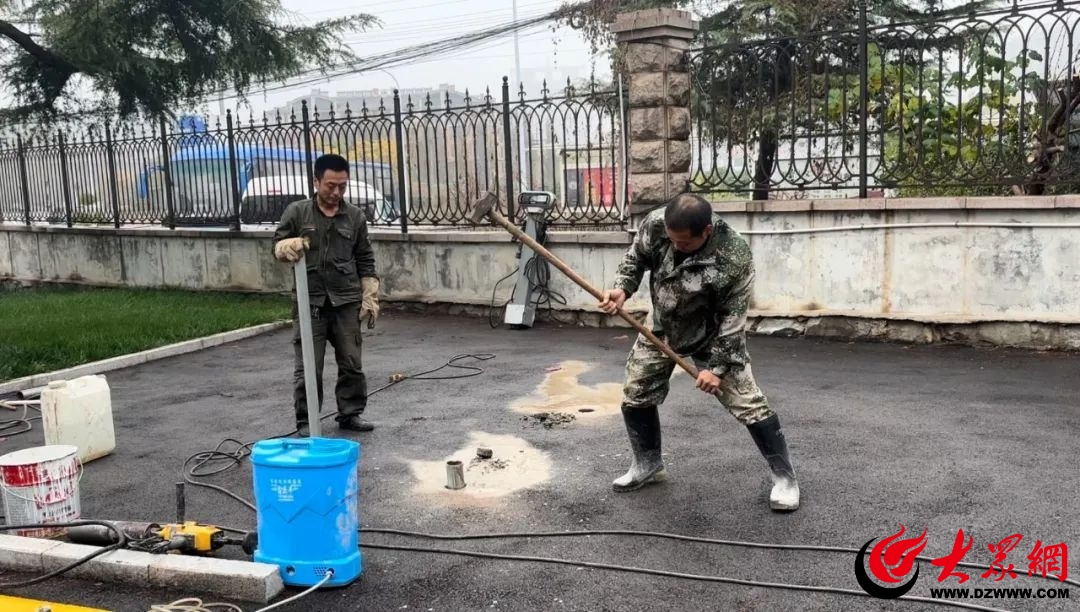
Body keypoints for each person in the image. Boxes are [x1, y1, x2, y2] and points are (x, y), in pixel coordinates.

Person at [598, 193, 800, 511]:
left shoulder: (733, 256)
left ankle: (786, 479)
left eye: (685, 243)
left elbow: (733, 321)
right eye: (672, 240)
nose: (676, 246)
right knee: (636, 391)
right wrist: (622, 288)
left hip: (714, 337)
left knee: (749, 404)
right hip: (662, 328)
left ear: (706, 232)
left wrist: (716, 368)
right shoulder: (656, 225)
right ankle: (647, 464)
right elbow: (636, 259)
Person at [272, 153, 380, 435]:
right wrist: (285, 247)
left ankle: (350, 413)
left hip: (345, 301)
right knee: (309, 366)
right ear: (316, 181)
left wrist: (369, 294)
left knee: (351, 362)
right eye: (330, 185)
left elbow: (365, 258)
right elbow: (277, 245)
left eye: (342, 186)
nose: (336, 192)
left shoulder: (355, 217)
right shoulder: (297, 213)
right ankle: (307, 422)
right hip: (311, 303)